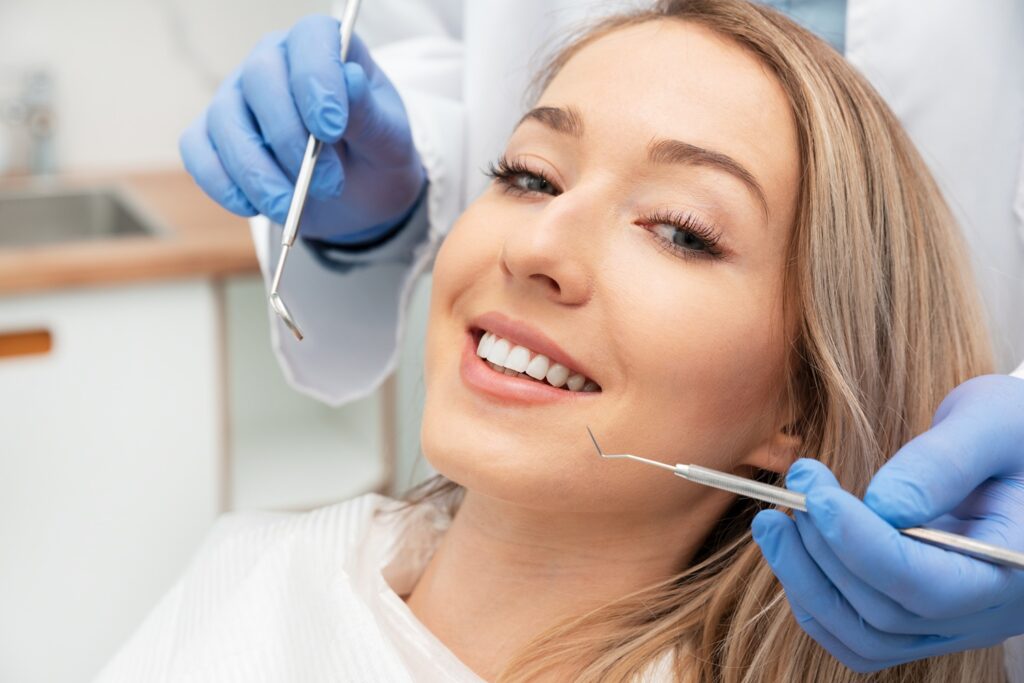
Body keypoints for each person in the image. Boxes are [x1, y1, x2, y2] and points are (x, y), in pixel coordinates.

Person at [176, 0, 1024, 676]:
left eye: (681, 230)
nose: (535, 246)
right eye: (528, 175)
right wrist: (371, 210)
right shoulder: (240, 579)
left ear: (800, 405)